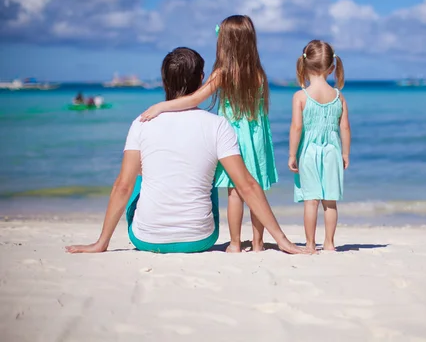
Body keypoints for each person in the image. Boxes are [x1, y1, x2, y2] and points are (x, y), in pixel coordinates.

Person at [65, 47, 304, 255]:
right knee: (208, 174)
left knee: (137, 176)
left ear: (164, 81)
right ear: (202, 79)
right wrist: (282, 239)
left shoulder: (142, 122)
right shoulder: (218, 124)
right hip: (200, 239)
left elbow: (122, 187)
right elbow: (247, 186)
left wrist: (101, 243)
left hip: (145, 239)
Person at [139, 15, 277, 253]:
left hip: (231, 138)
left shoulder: (223, 73)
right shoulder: (259, 75)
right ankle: (258, 243)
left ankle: (234, 243)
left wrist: (161, 106)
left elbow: (194, 99)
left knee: (235, 192)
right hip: (257, 138)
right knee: (255, 189)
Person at [288, 40, 351, 252]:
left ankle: (309, 244)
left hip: (308, 152)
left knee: (311, 201)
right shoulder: (339, 96)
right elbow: (345, 128)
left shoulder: (301, 96)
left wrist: (292, 154)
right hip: (332, 151)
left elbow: (297, 127)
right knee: (330, 201)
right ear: (332, 68)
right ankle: (330, 244)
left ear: (304, 67)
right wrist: (345, 153)